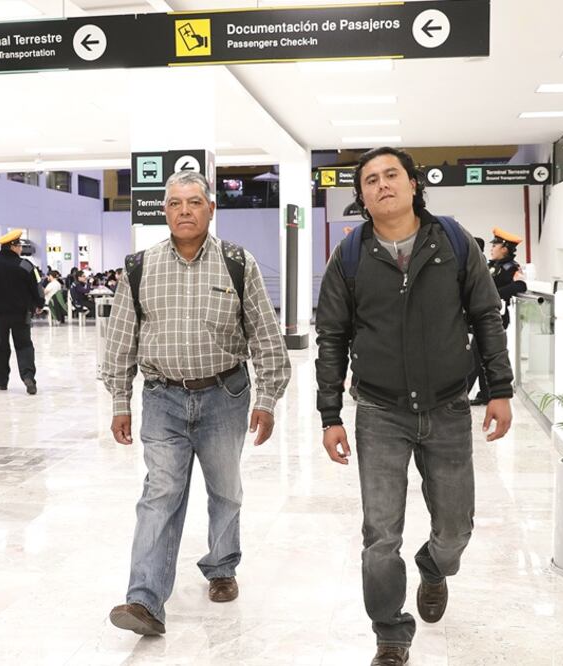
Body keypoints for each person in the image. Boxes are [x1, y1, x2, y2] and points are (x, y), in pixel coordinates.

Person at [314, 147, 513, 666]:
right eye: (370, 180)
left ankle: (433, 566)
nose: (382, 185)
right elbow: (332, 336)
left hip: (448, 407)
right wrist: (330, 414)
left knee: (455, 530)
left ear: (412, 183)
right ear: (360, 196)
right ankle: (390, 635)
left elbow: (486, 316)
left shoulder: (452, 240)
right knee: (380, 537)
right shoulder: (350, 256)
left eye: (391, 175)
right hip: (379, 412)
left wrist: (500, 388)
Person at [102, 170, 291, 637]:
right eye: (174, 203)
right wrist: (120, 401)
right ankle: (143, 599)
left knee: (225, 489)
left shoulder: (236, 262)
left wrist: (266, 399)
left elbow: (266, 339)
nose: (184, 210)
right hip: (162, 397)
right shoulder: (139, 266)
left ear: (211, 208)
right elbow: (121, 340)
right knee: (160, 494)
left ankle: (222, 567)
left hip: (225, 395)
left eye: (193, 202)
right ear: (163, 211)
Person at [0, 230, 44, 394]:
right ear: (12, 246)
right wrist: (39, 304)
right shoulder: (26, 265)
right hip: (21, 314)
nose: (21, 248)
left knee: (1, 346)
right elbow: (37, 287)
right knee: (24, 345)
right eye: (19, 245)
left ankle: (1, 381)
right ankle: (28, 377)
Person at [467, 228, 527, 405]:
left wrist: (492, 294)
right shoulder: (492, 266)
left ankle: (461, 395)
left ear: (505, 248)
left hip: (497, 318)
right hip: (482, 315)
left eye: (496, 245)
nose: (492, 248)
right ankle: (485, 395)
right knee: (481, 354)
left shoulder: (512, 268)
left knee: (475, 356)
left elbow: (520, 286)